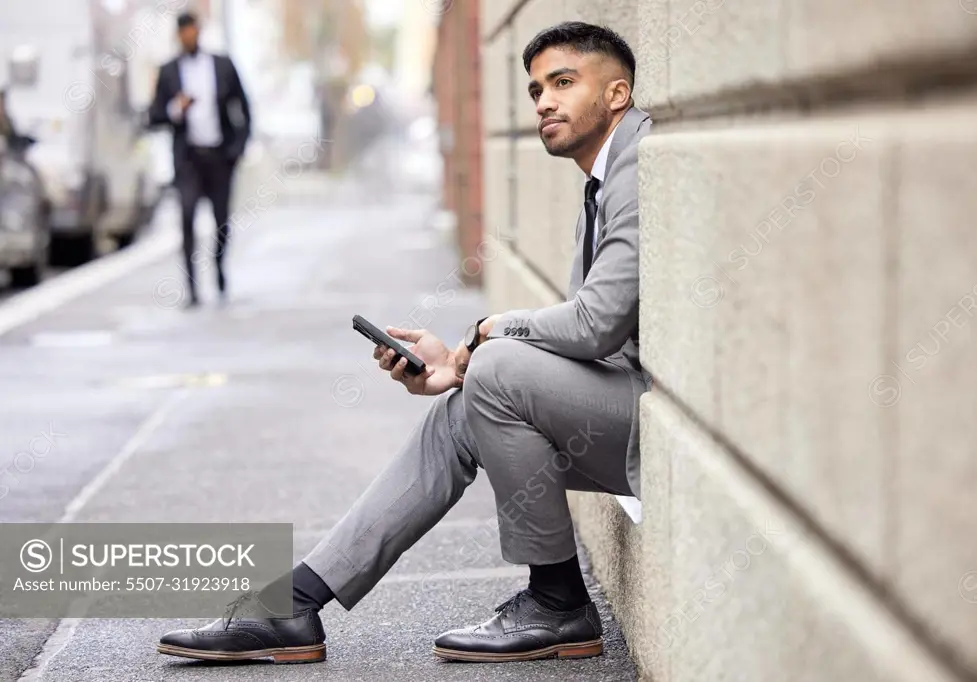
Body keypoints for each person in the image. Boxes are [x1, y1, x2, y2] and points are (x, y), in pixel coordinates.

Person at [157, 22, 651, 665]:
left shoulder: (637, 165)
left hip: (644, 424)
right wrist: (456, 365)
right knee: (457, 415)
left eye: (563, 83)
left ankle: (557, 604)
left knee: (497, 366)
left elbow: (597, 325)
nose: (544, 103)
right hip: (612, 406)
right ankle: (296, 604)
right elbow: (583, 341)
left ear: (616, 94)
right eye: (535, 91)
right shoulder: (599, 178)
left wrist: (488, 334)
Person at [148, 12, 251, 307]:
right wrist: (174, 108)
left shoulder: (222, 65)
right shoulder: (168, 71)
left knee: (221, 222)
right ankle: (191, 287)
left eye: (192, 31)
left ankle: (218, 269)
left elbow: (243, 107)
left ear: (198, 31)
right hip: (188, 158)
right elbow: (154, 116)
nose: (188, 37)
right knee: (187, 217)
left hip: (220, 156)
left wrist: (239, 147)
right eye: (183, 33)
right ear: (178, 35)